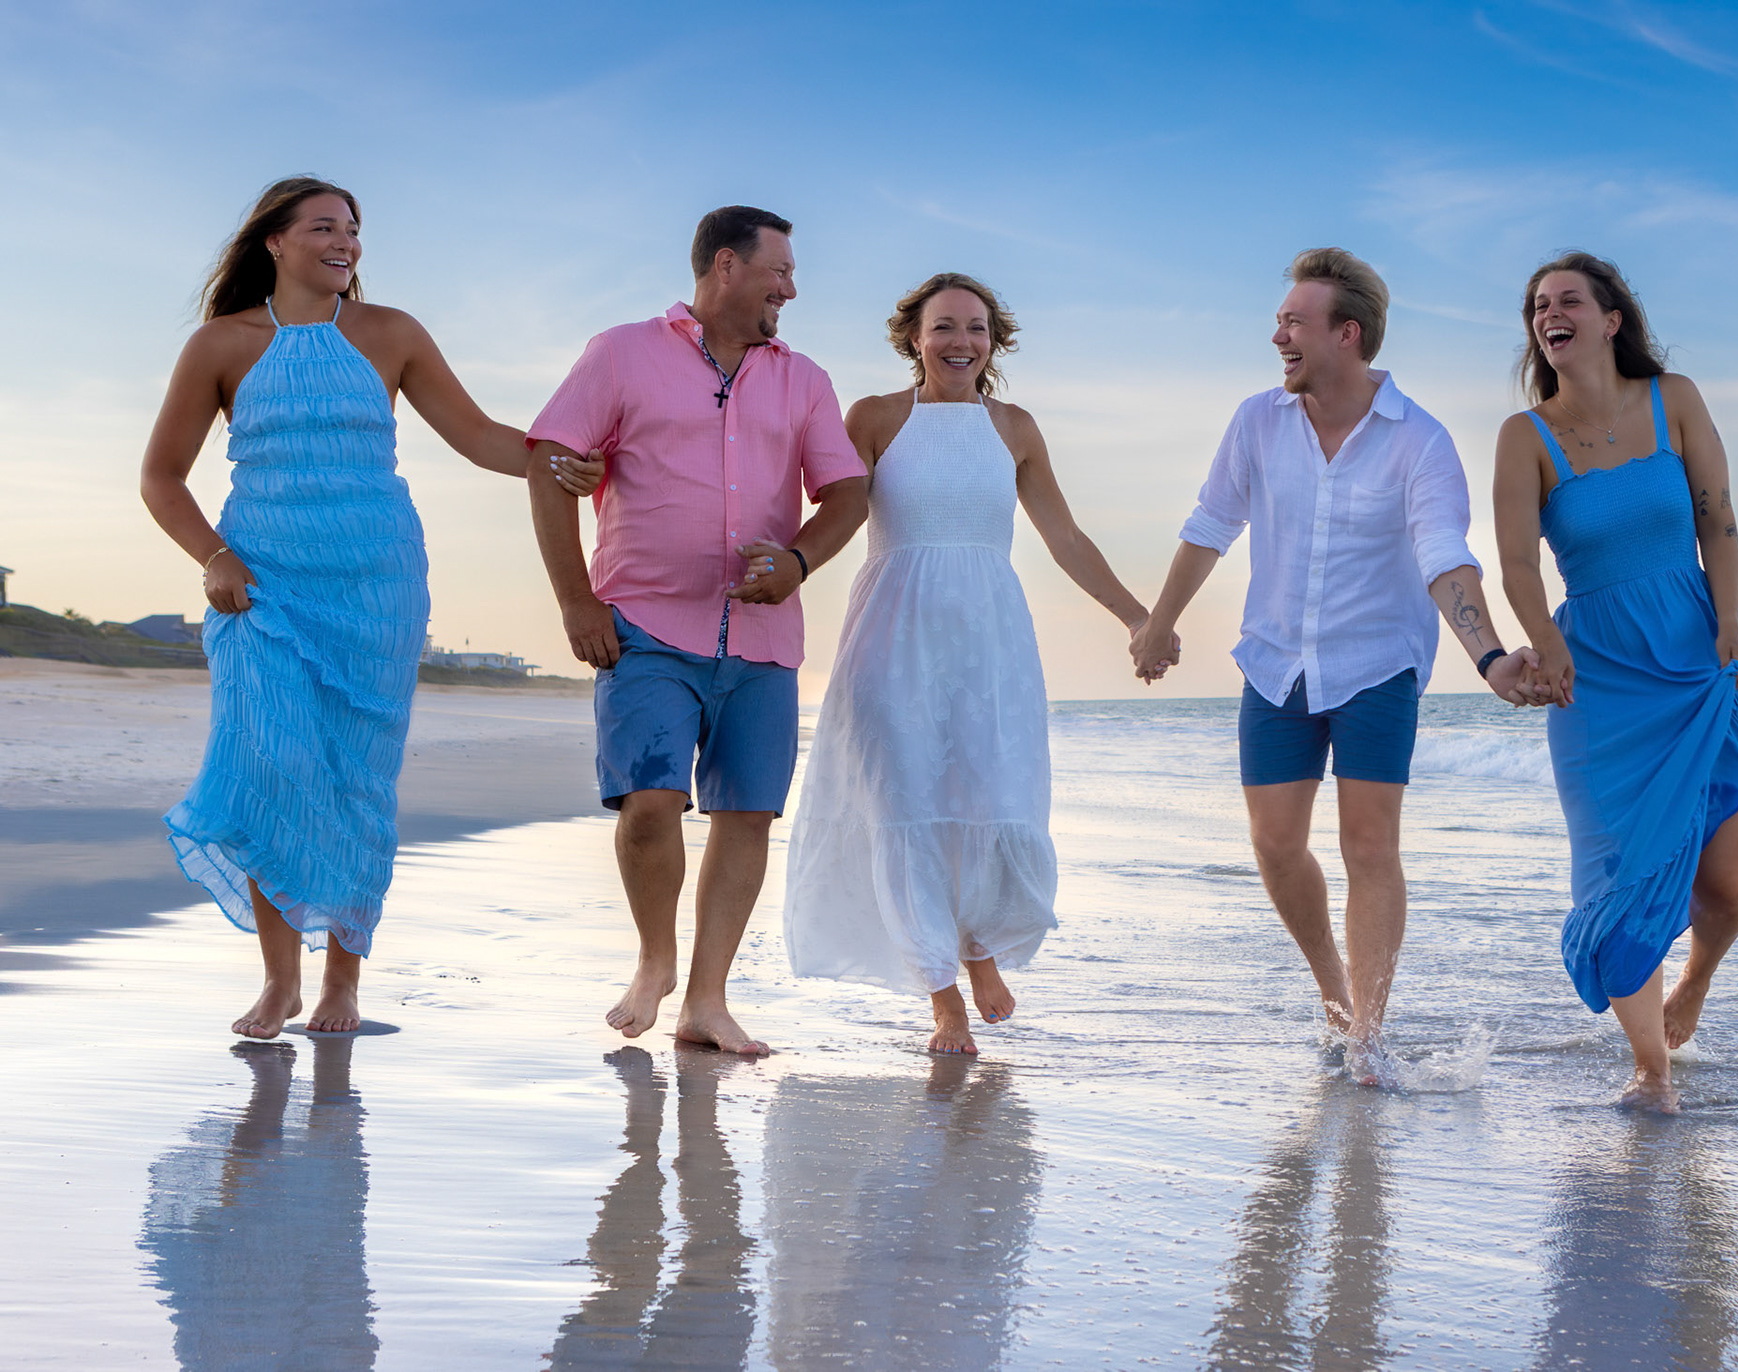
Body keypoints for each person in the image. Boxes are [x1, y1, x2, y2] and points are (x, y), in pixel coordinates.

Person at [140, 176, 601, 1039]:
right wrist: (214, 555)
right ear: (274, 242)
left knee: (355, 779)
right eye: (323, 227)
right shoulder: (220, 345)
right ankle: (280, 980)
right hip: (261, 585)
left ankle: (342, 982)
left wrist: (561, 462)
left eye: (353, 229)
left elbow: (479, 437)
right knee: (269, 765)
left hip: (375, 584)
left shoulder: (391, 334)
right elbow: (159, 477)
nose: (345, 242)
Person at [1130, 248, 1541, 1082]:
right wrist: (1158, 622)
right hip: (1277, 662)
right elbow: (1212, 522)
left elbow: (1442, 554)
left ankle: (1368, 1037)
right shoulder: (1256, 421)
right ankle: (1336, 995)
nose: (1276, 333)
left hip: (1376, 665)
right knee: (1277, 846)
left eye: (1293, 322)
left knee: (1368, 846)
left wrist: (1490, 657)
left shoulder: (1419, 442)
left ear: (1345, 335)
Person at [526, 206, 870, 1057]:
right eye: (778, 273)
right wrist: (576, 600)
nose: (790, 290)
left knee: (745, 815)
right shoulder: (621, 353)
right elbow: (548, 460)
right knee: (649, 806)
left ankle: (707, 1001)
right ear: (726, 267)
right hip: (642, 626)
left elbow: (849, 495)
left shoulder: (806, 381)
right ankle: (655, 960)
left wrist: (796, 562)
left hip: (761, 644)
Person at [785, 274, 1153, 1056]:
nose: (962, 342)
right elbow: (836, 513)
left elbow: (1066, 538)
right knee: (901, 802)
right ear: (913, 337)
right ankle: (942, 993)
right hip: (892, 633)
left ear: (996, 340)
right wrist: (782, 568)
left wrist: (1135, 614)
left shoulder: (1014, 428)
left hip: (988, 639)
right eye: (944, 326)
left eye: (977, 329)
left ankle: (979, 945)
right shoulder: (877, 418)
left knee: (988, 796)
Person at [1492, 251, 1738, 1113]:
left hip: (1700, 655)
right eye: (1538, 306)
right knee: (1613, 886)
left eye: (1568, 300)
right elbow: (1515, 564)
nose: (1549, 314)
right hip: (1597, 682)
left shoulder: (1674, 400)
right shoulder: (1523, 436)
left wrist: (1727, 619)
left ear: (1613, 320)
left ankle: (1692, 985)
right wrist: (1543, 642)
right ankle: (1652, 1072)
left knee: (1730, 890)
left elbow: (1717, 520)